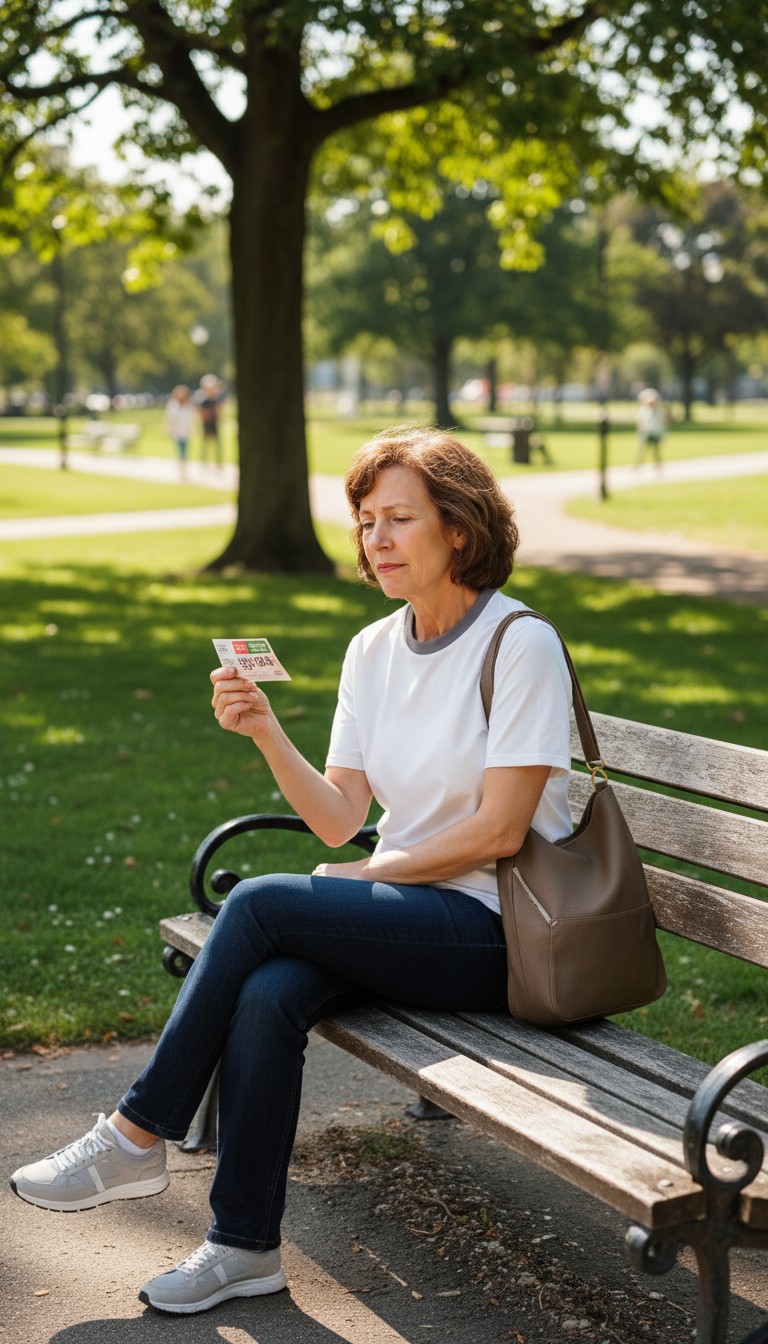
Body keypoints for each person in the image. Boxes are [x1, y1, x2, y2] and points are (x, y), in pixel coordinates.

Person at [10, 426, 574, 1316]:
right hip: (405, 913)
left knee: (267, 899)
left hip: (497, 933)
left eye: (400, 520)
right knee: (270, 989)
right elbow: (340, 816)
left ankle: (136, 1131)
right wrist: (267, 730)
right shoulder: (371, 651)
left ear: (459, 530)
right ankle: (242, 1248)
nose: (375, 541)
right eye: (365, 522)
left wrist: (360, 880)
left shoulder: (520, 644)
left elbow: (499, 834)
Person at [164, 384, 196, 476]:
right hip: (177, 431)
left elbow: (192, 418)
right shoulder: (173, 405)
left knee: (185, 449)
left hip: (186, 431)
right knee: (179, 448)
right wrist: (168, 428)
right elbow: (169, 418)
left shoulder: (189, 405)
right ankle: (181, 466)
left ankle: (184, 465)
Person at [194, 373, 225, 466]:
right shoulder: (201, 398)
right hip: (205, 424)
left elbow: (219, 410)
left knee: (217, 446)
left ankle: (218, 463)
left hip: (214, 424)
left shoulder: (217, 398)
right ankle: (204, 462)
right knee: (204, 445)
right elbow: (200, 412)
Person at [635, 387, 667, 467]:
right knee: (642, 449)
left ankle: (658, 464)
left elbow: (662, 424)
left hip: (655, 433)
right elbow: (640, 422)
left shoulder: (659, 411)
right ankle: (638, 464)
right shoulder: (644, 411)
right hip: (647, 432)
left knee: (656, 450)